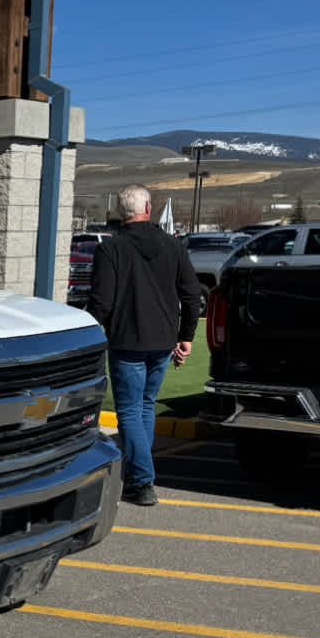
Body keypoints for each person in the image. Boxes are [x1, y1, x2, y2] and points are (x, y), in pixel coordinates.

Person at [87, 184, 200, 506]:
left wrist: (87, 330)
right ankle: (140, 473)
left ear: (121, 213)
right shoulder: (173, 246)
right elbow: (191, 295)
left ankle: (141, 480)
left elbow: (102, 303)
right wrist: (187, 337)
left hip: (127, 341)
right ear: (148, 209)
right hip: (163, 340)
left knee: (131, 412)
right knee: (145, 406)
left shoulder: (112, 249)